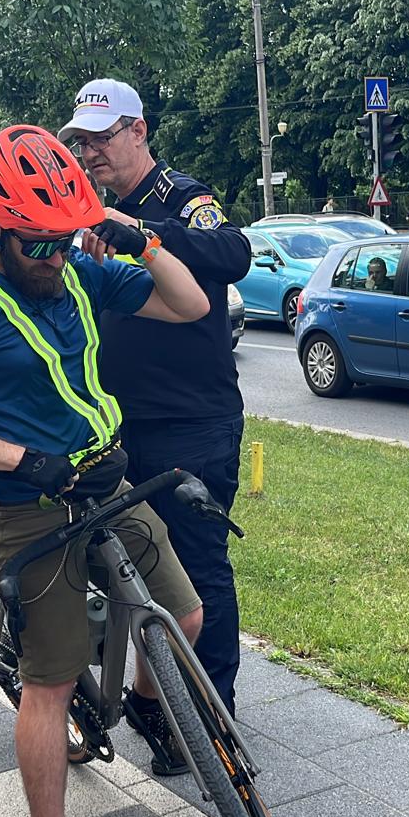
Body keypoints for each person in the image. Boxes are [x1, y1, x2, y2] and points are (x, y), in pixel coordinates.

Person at [0, 126, 209, 817]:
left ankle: (142, 702)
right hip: (24, 504)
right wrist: (23, 460)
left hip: (106, 482)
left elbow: (192, 305)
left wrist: (136, 239)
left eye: (65, 239)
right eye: (37, 244)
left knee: (186, 615)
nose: (53, 257)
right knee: (51, 680)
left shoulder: (77, 271)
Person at [59, 79, 251, 728]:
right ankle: (138, 691)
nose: (90, 154)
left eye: (102, 138)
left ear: (139, 131)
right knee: (126, 565)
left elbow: (234, 254)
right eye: (81, 143)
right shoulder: (87, 210)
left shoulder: (180, 196)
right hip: (119, 425)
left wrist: (138, 230)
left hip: (191, 422)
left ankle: (212, 722)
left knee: (199, 572)